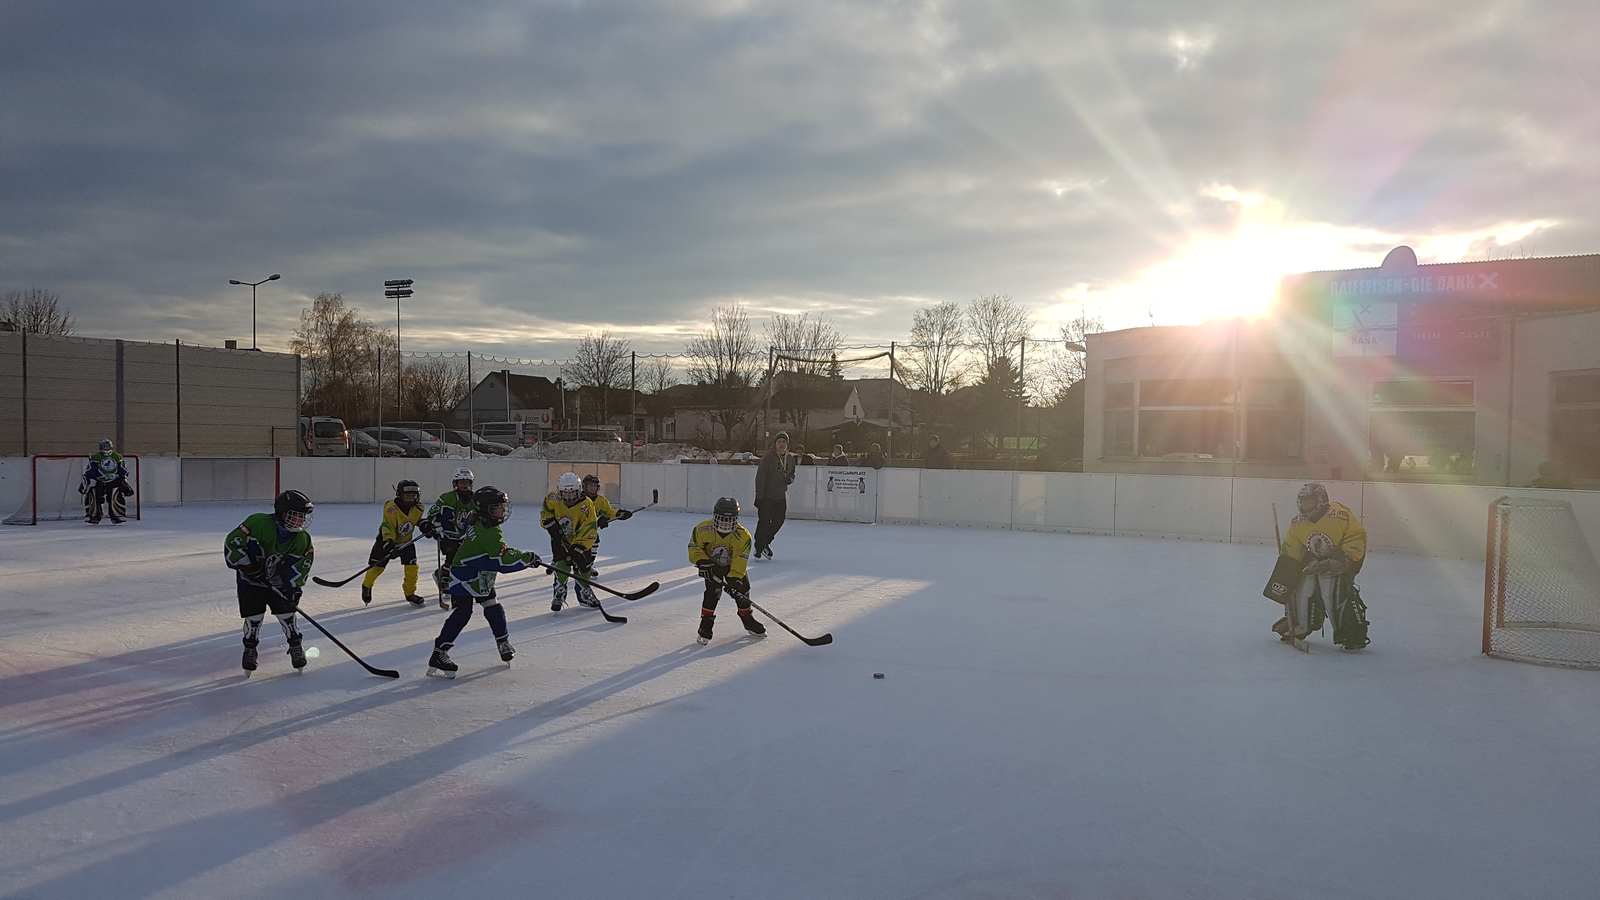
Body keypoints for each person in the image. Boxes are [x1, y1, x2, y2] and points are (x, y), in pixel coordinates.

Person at [426, 486, 541, 678]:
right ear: (486, 509)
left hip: (480, 571)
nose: (503, 510)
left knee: (491, 605)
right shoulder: (487, 531)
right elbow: (502, 560)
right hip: (464, 573)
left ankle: (503, 642)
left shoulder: (478, 518)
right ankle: (439, 654)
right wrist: (527, 559)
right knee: (463, 612)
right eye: (498, 507)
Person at [224, 490, 315, 674]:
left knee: (288, 615)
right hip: (249, 582)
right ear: (283, 514)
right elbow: (232, 543)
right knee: (254, 618)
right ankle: (250, 648)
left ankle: (295, 645)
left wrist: (293, 588)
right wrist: (248, 567)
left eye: (303, 516)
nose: (302, 521)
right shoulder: (258, 523)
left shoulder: (301, 539)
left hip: (278, 583)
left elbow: (301, 564)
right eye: (297, 516)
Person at [1273, 482, 1371, 650]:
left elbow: (1356, 538)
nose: (1304, 506)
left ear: (1320, 500)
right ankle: (1301, 623)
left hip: (1339, 558)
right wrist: (1287, 569)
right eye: (1301, 501)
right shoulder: (1298, 523)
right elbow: (1292, 549)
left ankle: (1350, 631)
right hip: (1314, 558)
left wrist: (1337, 562)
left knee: (1331, 587)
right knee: (1302, 581)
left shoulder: (1339, 515)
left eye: (1308, 501)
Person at [687, 497, 764, 644]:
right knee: (712, 591)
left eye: (729, 520)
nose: (725, 524)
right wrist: (703, 563)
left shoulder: (743, 535)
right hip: (711, 565)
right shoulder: (702, 529)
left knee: (743, 591)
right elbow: (694, 548)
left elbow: (740, 559)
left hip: (732, 566)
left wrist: (735, 579)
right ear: (715, 517)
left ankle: (747, 618)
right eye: (722, 519)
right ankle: (706, 624)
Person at [541, 472, 600, 612]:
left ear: (579, 490)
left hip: (581, 542)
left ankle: (584, 595)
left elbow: (590, 527)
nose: (568, 496)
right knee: (561, 566)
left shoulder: (586, 504)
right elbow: (545, 512)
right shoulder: (552, 498)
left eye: (572, 493)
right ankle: (559, 594)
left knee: (584, 567)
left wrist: (579, 546)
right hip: (559, 540)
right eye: (565, 493)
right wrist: (550, 524)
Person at [361, 480, 426, 607]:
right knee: (377, 568)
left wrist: (425, 524)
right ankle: (366, 585)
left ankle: (410, 593)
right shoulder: (391, 508)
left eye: (413, 496)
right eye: (407, 496)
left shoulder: (419, 507)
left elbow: (415, 520)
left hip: (406, 542)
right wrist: (389, 543)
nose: (410, 499)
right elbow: (387, 526)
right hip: (385, 541)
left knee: (412, 568)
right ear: (399, 495)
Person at [423, 468, 476, 610]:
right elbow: (433, 513)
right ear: (455, 483)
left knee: (466, 556)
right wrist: (435, 525)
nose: (464, 485)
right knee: (452, 554)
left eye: (467, 482)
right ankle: (444, 577)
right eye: (461, 482)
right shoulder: (447, 497)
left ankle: (444, 574)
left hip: (465, 534)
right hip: (447, 533)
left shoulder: (475, 499)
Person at [753, 431, 795, 559]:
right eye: (779, 442)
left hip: (780, 496)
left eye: (784, 442)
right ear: (775, 444)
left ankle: (766, 542)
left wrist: (790, 479)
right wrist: (759, 496)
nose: (781, 444)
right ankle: (759, 547)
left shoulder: (790, 458)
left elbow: (792, 473)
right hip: (767, 496)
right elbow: (761, 476)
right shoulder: (769, 457)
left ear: (787, 444)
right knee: (764, 522)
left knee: (779, 521)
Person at [82, 438, 134, 524]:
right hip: (99, 481)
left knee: (116, 496)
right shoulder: (96, 457)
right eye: (104, 446)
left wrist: (123, 478)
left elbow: (122, 469)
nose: (106, 448)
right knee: (93, 495)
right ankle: (93, 515)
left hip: (114, 480)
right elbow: (91, 470)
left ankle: (117, 515)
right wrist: (89, 479)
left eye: (108, 446)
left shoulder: (117, 456)